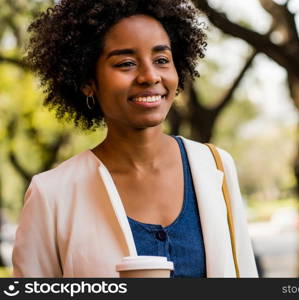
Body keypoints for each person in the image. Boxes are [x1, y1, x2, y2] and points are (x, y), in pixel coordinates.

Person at [12, 0, 258, 278]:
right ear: (87, 80)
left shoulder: (216, 167)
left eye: (162, 60)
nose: (150, 76)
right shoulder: (52, 194)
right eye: (126, 63)